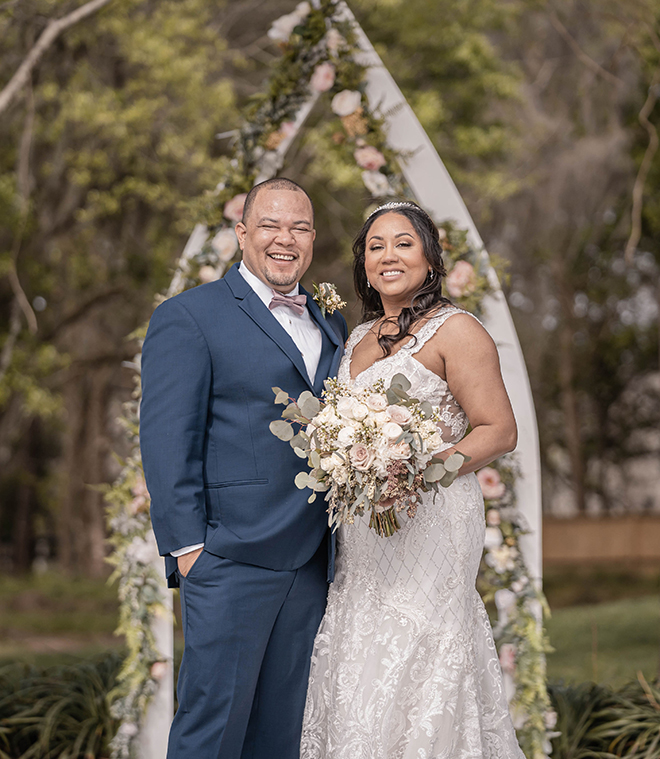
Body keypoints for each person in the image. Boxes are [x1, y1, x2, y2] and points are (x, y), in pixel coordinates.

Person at [300, 201, 525, 758]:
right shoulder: (355, 340)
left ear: (429, 257)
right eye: (375, 246)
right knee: (360, 644)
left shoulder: (457, 330)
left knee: (425, 646)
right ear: (365, 265)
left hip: (435, 520)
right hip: (366, 530)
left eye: (403, 243)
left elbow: (498, 430)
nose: (388, 256)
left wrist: (422, 471)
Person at [139, 177, 347, 759]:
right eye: (271, 226)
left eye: (300, 228)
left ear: (312, 238)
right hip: (228, 560)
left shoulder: (332, 324)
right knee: (213, 731)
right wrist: (189, 550)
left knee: (282, 736)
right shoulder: (189, 317)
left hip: (311, 563)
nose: (286, 239)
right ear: (242, 234)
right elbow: (165, 439)